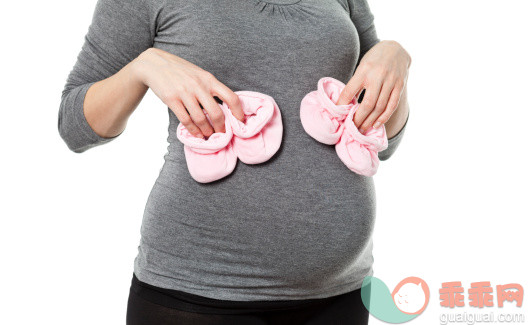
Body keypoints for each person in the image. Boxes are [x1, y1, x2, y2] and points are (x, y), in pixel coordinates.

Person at [58, 0, 411, 324]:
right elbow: (74, 126)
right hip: (200, 294)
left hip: (341, 293)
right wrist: (142, 68)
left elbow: (382, 142)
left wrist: (394, 59)